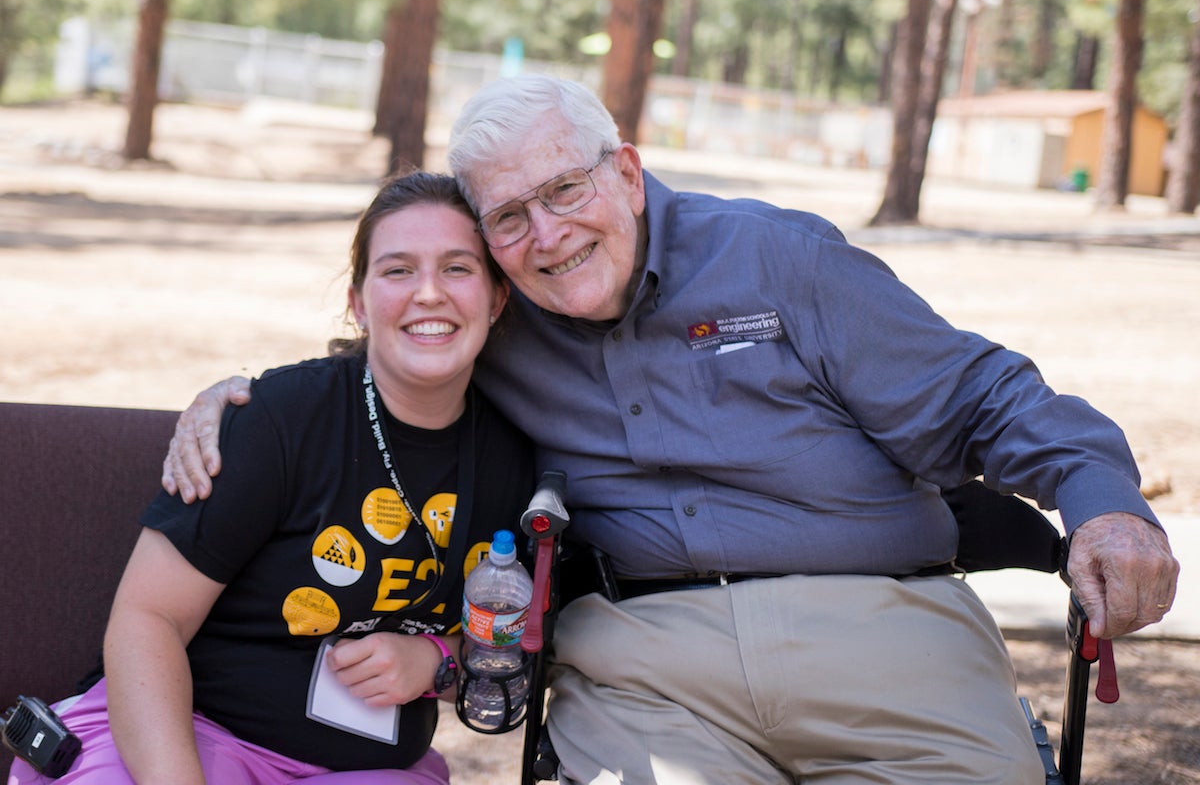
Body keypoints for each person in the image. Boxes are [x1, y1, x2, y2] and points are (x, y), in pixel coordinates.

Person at [162, 75, 1179, 785]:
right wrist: (234, 396)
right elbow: (393, 352)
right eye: (509, 217)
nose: (548, 234)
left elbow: (988, 395)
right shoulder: (503, 319)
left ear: (629, 171)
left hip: (880, 632)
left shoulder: (780, 262)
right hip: (645, 667)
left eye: (567, 189)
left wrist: (1107, 504)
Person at [11, 172, 533, 785]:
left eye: (457, 268)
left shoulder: (517, 458)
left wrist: (438, 661)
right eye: (396, 270)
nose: (427, 294)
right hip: (186, 738)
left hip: (364, 768)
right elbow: (147, 618)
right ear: (359, 302)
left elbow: (519, 650)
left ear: (497, 297)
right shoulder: (281, 421)